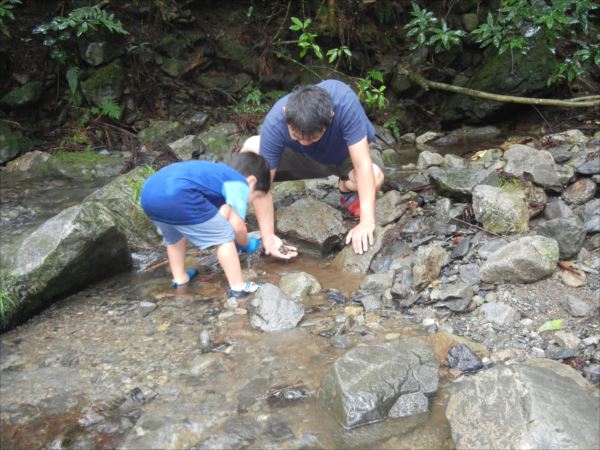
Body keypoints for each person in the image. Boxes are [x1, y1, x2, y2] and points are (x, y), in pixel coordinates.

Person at [241, 79, 385, 257]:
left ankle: (345, 184)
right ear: (287, 115)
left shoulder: (344, 103)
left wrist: (366, 221)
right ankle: (234, 218)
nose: (304, 142)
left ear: (330, 118)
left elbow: (363, 165)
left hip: (347, 154)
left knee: (376, 176)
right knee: (250, 149)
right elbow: (262, 187)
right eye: (297, 136)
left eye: (312, 137)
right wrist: (268, 237)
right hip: (308, 159)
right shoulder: (277, 120)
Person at [140, 152, 270, 297]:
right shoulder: (238, 182)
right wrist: (245, 244)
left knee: (174, 238)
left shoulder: (214, 174)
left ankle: (180, 278)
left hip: (149, 194)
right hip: (180, 195)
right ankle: (238, 287)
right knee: (224, 236)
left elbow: (218, 214)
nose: (251, 202)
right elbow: (237, 225)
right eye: (255, 196)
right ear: (251, 181)